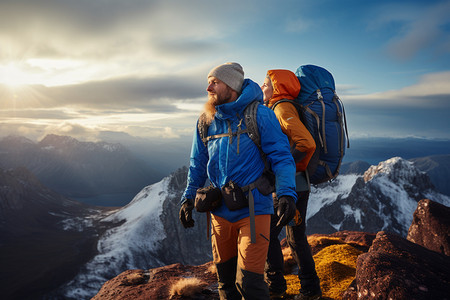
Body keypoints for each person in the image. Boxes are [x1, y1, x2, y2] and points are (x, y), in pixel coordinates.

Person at [179, 63, 298, 300]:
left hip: (253, 211)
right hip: (219, 212)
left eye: (214, 82)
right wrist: (188, 198)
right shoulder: (206, 120)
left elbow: (282, 156)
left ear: (231, 86)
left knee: (250, 284)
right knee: (226, 284)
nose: (208, 87)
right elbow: (197, 163)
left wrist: (286, 193)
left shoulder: (260, 115)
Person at [261, 69, 322, 300]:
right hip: (299, 186)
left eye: (266, 84)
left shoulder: (281, 108)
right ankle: (310, 289)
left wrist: (285, 167)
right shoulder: (282, 106)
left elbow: (306, 143)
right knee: (296, 236)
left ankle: (275, 287)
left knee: (267, 234)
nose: (262, 87)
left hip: (291, 187)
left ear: (276, 87)